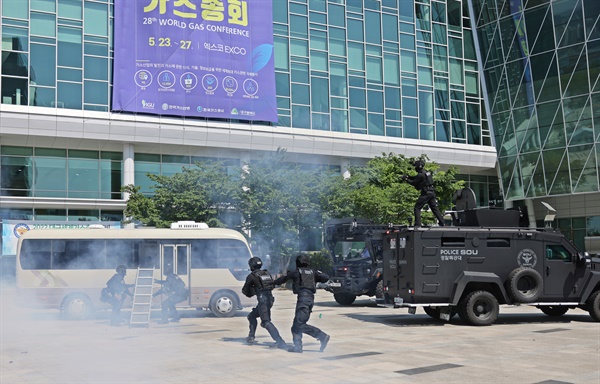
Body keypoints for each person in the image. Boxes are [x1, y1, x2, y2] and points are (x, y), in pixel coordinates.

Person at [273, 254, 330, 353]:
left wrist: (271, 283)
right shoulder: (313, 272)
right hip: (310, 299)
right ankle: (297, 347)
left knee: (299, 325)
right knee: (296, 325)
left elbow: (281, 280)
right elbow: (325, 277)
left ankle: (321, 336)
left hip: (303, 299)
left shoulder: (295, 272)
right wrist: (316, 274)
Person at [241, 257, 287, 349]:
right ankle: (251, 337)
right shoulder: (266, 273)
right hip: (269, 300)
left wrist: (252, 291)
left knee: (266, 322)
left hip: (263, 302)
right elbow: (271, 285)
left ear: (251, 265)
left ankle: (280, 342)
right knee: (251, 316)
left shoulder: (252, 276)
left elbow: (245, 291)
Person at [403, 158, 446, 227]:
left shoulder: (420, 175)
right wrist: (409, 176)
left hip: (426, 193)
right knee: (434, 208)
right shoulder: (427, 173)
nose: (415, 168)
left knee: (417, 208)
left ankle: (418, 224)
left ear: (419, 166)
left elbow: (414, 182)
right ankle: (442, 222)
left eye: (416, 166)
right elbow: (416, 178)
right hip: (431, 192)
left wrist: (406, 180)